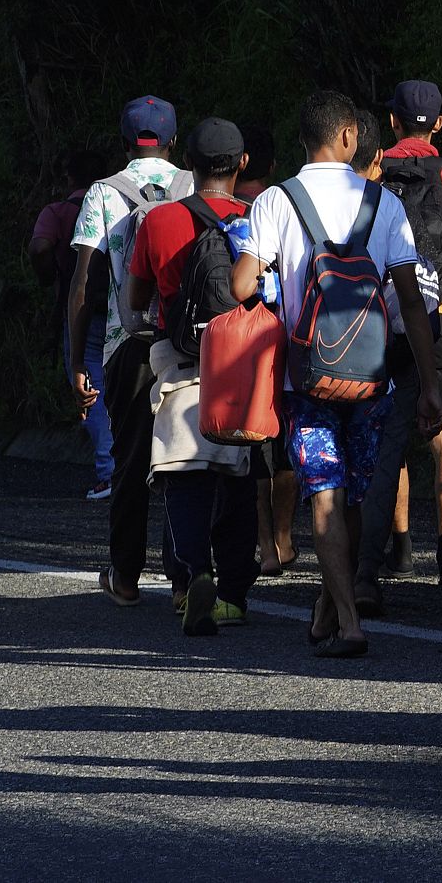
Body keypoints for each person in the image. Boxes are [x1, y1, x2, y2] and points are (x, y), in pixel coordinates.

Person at [230, 90, 442, 658]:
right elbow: (412, 303)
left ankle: (342, 616)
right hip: (372, 378)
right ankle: (339, 609)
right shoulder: (384, 204)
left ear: (305, 138)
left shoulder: (277, 201)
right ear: (350, 136)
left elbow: (240, 286)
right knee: (352, 492)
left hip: (308, 380)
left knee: (323, 490)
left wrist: (275, 282)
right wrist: (431, 383)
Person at [125, 119, 259, 635]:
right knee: (238, 474)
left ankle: (191, 578)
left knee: (185, 472)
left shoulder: (159, 221)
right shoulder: (256, 219)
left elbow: (137, 299)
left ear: (190, 167)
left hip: (181, 362)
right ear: (242, 163)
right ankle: (233, 595)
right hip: (244, 368)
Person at [356, 80, 442, 605]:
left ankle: (401, 545)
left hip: (380, 316)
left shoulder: (373, 171)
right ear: (439, 123)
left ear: (391, 122)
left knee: (391, 430)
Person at [71, 97, 191, 604]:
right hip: (186, 343)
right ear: (173, 141)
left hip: (127, 344)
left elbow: (84, 281)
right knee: (185, 458)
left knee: (129, 459)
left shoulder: (103, 192)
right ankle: (184, 574)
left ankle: (125, 578)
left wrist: (79, 361)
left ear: (125, 142)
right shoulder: (192, 185)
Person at [236, 122, 300, 577]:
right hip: (289, 339)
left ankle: (264, 545)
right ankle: (284, 537)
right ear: (273, 166)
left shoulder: (231, 212)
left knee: (254, 445)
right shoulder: (286, 205)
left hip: (243, 345)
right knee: (285, 445)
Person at [31, 149, 110, 497]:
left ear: (69, 179)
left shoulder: (58, 212)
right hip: (121, 308)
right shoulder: (117, 203)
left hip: (81, 310)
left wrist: (49, 274)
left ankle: (109, 471)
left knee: (87, 386)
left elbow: (39, 247)